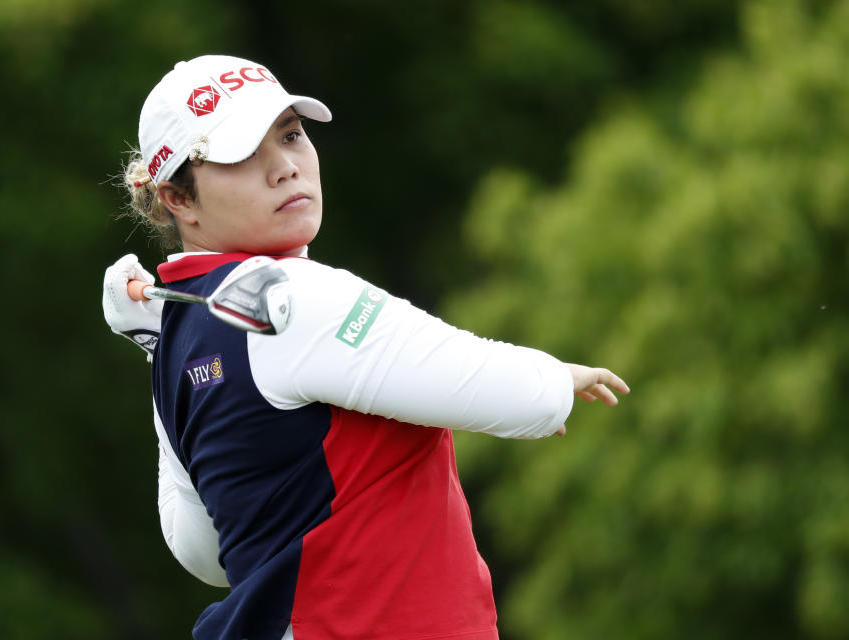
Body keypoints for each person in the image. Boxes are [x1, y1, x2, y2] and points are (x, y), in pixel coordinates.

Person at [102, 54, 629, 640]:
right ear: (178, 198)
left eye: (292, 135)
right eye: (243, 156)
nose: (285, 168)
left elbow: (202, 552)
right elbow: (507, 395)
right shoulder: (289, 295)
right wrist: (556, 380)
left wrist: (158, 351)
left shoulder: (178, 332)